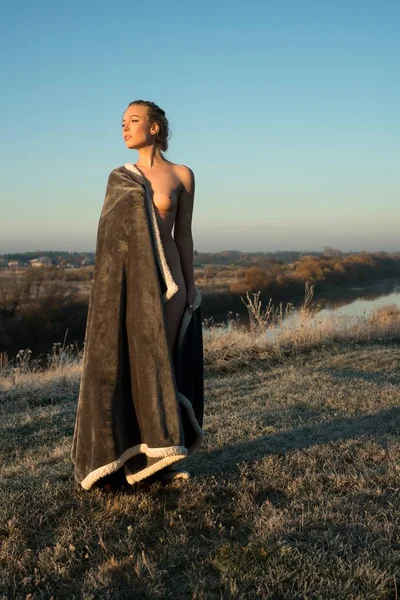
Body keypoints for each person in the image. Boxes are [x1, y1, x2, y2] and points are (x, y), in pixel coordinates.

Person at [121, 100, 197, 357]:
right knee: (139, 358)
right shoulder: (121, 178)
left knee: (167, 356)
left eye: (133, 120)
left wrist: (191, 284)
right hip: (135, 275)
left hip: (171, 276)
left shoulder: (182, 174)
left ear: (153, 127)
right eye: (123, 123)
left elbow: (184, 235)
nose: (125, 128)